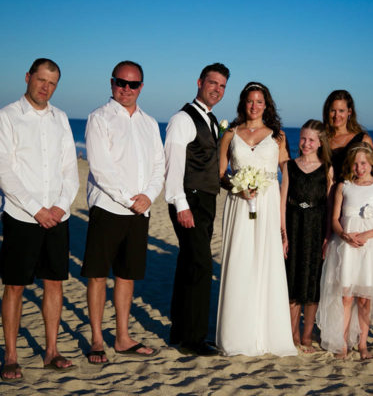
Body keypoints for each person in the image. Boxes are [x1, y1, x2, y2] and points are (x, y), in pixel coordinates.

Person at [0, 58, 79, 380]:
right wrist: (36, 209)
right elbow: (4, 171)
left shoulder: (60, 118)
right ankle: (11, 356)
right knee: (15, 286)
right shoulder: (7, 117)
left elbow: (69, 169)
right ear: (28, 77)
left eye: (52, 83)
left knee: (54, 283)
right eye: (41, 80)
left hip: (57, 217)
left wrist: (59, 208)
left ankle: (51, 351)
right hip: (22, 215)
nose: (45, 87)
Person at [82, 61, 165, 364]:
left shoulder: (150, 122)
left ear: (141, 87)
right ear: (112, 82)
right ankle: (96, 340)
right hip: (108, 206)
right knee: (97, 276)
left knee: (127, 276)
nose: (126, 89)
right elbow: (100, 167)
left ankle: (122, 337)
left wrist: (149, 196)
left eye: (132, 84)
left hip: (139, 211)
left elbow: (159, 165)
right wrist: (128, 199)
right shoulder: (98, 118)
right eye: (121, 82)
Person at [216, 81, 297, 357]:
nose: (254, 106)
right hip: (239, 205)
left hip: (268, 204)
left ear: (267, 104)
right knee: (239, 263)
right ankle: (236, 336)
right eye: (250, 101)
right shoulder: (230, 134)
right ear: (243, 103)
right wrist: (238, 186)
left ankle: (267, 335)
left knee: (266, 263)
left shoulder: (278, 137)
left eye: (259, 101)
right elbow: (220, 175)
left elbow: (288, 173)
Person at [164, 63, 230, 356]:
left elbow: (210, 166)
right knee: (202, 266)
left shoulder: (213, 121)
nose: (217, 89)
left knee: (189, 264)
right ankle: (194, 338)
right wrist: (181, 205)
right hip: (188, 201)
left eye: (222, 86)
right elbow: (174, 165)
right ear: (200, 82)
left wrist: (235, 185)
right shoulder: (182, 119)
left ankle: (179, 330)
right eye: (212, 83)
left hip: (206, 200)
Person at [317, 142, 373, 359]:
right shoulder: (344, 187)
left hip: (370, 249)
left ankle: (362, 344)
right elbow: (334, 219)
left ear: (371, 164)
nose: (360, 168)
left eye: (364, 163)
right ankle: (341, 344)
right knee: (346, 297)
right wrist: (344, 235)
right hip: (346, 248)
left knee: (364, 299)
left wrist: (366, 236)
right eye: (356, 164)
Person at [280, 119, 333, 353]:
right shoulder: (289, 166)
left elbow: (331, 205)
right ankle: (292, 334)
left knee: (312, 283)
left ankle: (307, 335)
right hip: (293, 223)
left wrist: (328, 236)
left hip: (317, 226)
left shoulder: (327, 168)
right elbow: (282, 201)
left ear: (320, 142)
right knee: (293, 279)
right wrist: (283, 233)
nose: (306, 143)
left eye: (311, 140)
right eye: (303, 138)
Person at [322, 90, 373, 182]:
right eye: (333, 110)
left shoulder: (363, 140)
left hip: (351, 195)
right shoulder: (320, 138)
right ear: (327, 112)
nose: (336, 115)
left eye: (341, 111)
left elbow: (371, 176)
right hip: (323, 195)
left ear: (349, 112)